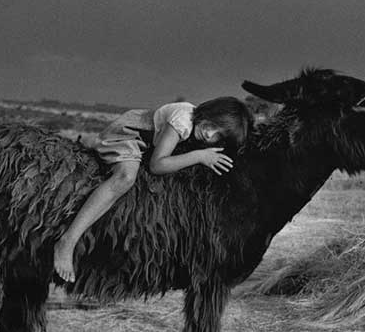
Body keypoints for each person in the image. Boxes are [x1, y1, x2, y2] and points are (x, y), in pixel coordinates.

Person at [53, 97, 253, 283]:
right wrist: (200, 156)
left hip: (144, 144)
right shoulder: (183, 121)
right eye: (213, 125)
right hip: (126, 135)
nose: (210, 134)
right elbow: (157, 165)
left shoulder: (197, 127)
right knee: (125, 178)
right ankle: (68, 241)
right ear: (209, 112)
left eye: (219, 136)